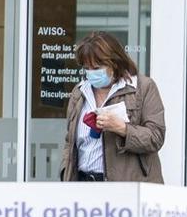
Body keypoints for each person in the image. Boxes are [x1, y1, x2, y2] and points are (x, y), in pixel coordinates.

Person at [61, 31, 166, 183]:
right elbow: (69, 141)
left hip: (127, 186)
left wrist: (123, 129)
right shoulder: (79, 92)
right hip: (83, 185)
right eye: (87, 68)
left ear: (115, 63)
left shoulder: (143, 88)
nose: (91, 73)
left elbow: (156, 137)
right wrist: (66, 172)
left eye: (96, 68)